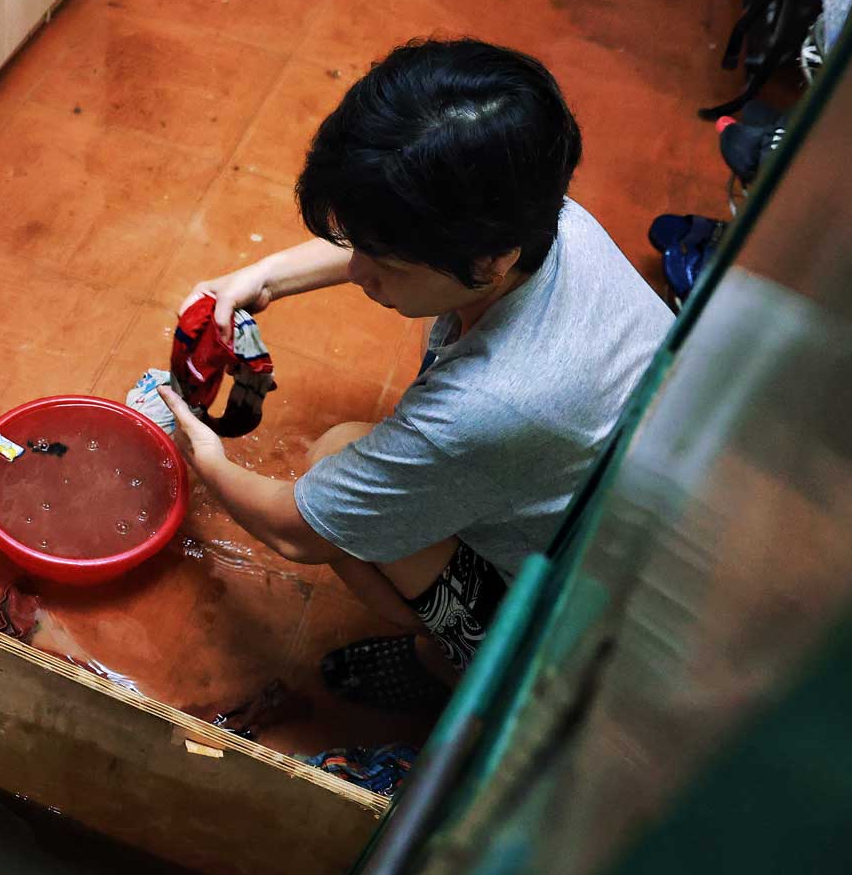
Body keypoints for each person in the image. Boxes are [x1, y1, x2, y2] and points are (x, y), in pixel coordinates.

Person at [162, 38, 671, 709]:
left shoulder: (489, 405)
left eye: (387, 265)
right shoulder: (539, 211)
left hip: (581, 624)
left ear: (486, 260)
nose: (361, 273)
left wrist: (207, 456)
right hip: (629, 522)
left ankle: (459, 662)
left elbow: (295, 529)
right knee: (357, 461)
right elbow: (388, 234)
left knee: (334, 460)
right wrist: (262, 278)